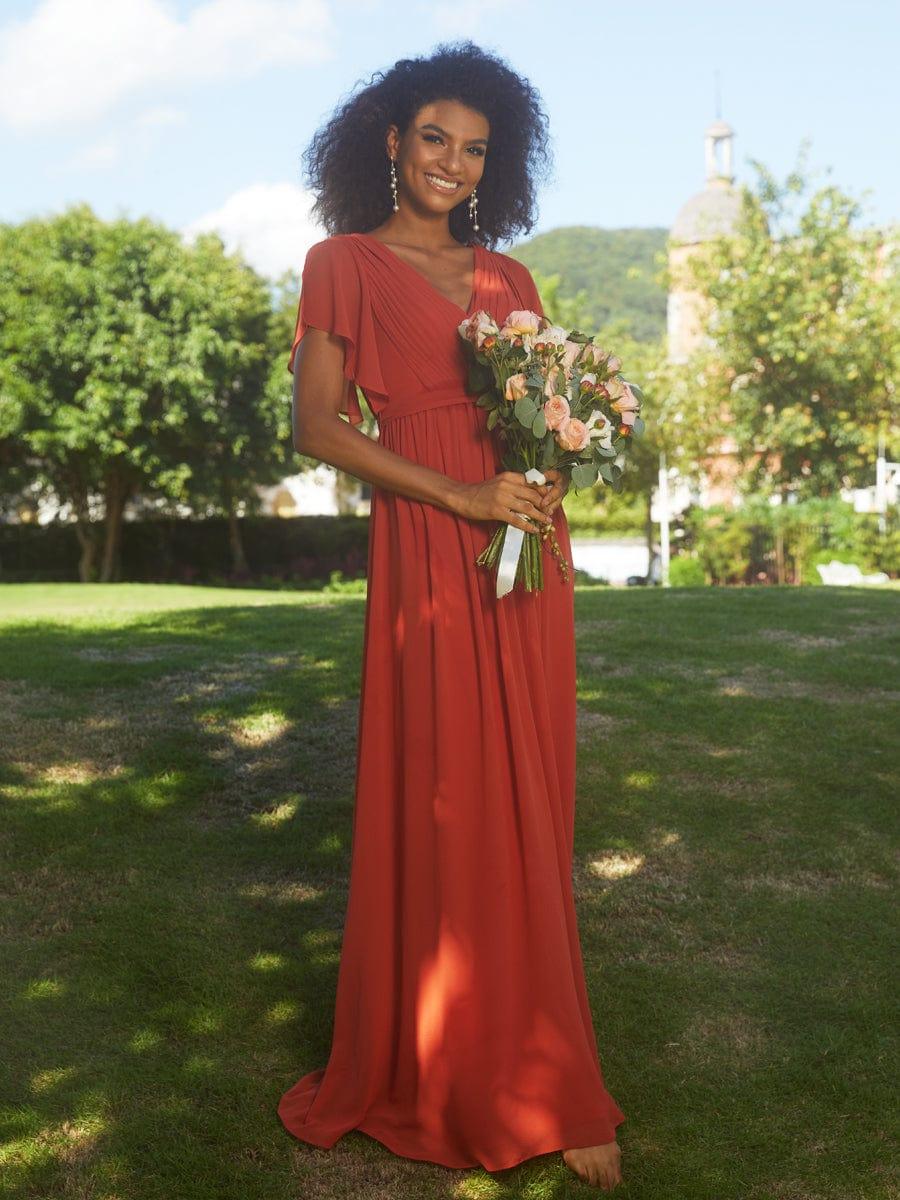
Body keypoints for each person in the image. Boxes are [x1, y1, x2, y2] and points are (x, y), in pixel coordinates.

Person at [277, 39, 625, 1192]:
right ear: (390, 139)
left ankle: (545, 1066)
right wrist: (465, 494)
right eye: (434, 138)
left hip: (526, 549)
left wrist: (545, 478)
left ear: (494, 165)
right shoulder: (341, 263)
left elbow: (541, 409)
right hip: (432, 543)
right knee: (448, 795)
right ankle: (444, 1068)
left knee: (529, 790)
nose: (451, 163)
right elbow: (318, 428)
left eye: (475, 150)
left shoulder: (511, 282)